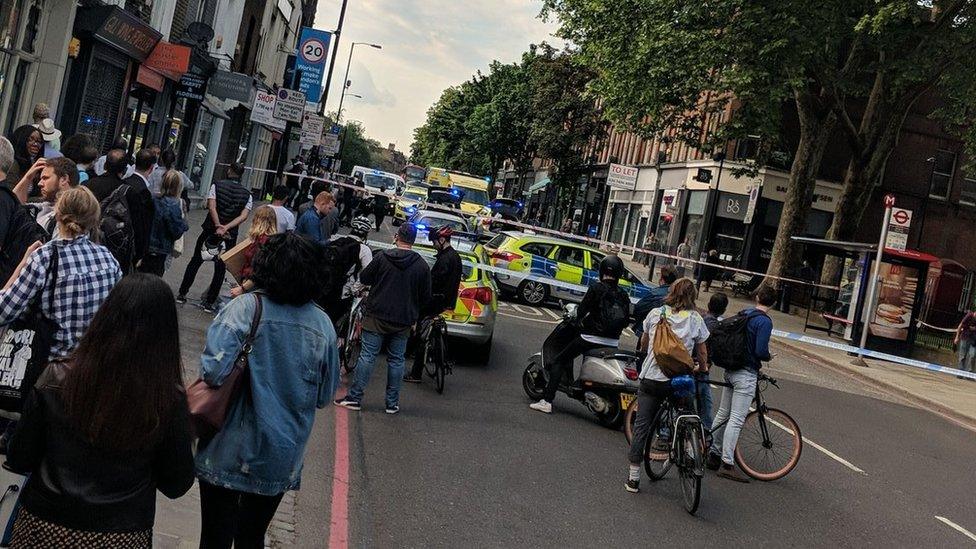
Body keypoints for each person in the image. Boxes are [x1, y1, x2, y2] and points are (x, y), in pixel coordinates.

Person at [5, 274, 194, 546]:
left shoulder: (56, 377)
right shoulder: (166, 397)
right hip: (120, 531)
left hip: (44, 524)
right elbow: (177, 483)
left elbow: (20, 455)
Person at [195, 233, 339, 548]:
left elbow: (213, 372)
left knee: (215, 537)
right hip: (280, 454)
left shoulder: (244, 309)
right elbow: (325, 396)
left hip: (227, 449)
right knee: (251, 536)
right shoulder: (323, 326)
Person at [0, 186, 122, 359]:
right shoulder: (108, 259)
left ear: (57, 214)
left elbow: (4, 311)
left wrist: (21, 265)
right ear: (94, 218)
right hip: (88, 364)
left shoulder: (45, 256)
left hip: (46, 365)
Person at [334, 223, 431, 414]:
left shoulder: (382, 257)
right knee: (397, 360)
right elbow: (425, 297)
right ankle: (392, 403)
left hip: (377, 314)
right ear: (413, 240)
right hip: (403, 318)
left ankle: (355, 398)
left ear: (397, 237)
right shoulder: (421, 265)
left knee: (367, 356)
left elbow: (366, 277)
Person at [626, 278, 709, 493]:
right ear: (693, 296)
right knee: (689, 412)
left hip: (653, 378)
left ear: (671, 292)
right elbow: (702, 351)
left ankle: (634, 477)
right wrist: (703, 367)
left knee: (642, 426)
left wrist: (645, 355)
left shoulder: (655, 314)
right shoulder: (696, 319)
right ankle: (690, 450)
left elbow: (644, 343)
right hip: (679, 380)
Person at [528, 255, 632, 414]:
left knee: (559, 361)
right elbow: (625, 320)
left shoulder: (596, 288)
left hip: (590, 337)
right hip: (612, 342)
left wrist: (578, 318)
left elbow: (582, 311)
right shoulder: (623, 294)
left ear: (602, 270)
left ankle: (547, 401)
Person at [706, 285, 775, 482]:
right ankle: (727, 464)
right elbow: (760, 350)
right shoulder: (764, 322)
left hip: (731, 369)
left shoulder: (745, 313)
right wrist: (768, 357)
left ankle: (714, 453)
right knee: (736, 419)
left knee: (723, 413)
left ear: (758, 297)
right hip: (746, 373)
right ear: (774, 303)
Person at [176, 162, 252, 313]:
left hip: (211, 230)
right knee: (221, 267)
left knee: (196, 260)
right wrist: (227, 227)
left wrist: (218, 225)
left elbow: (212, 206)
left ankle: (182, 293)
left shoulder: (217, 185)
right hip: (229, 235)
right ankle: (210, 302)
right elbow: (244, 215)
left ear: (229, 170)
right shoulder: (247, 194)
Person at [404, 225, 463, 384]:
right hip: (448, 302)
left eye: (435, 241)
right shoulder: (456, 257)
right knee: (433, 331)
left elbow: (433, 282)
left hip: (434, 302)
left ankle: (416, 373)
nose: (433, 244)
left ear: (442, 240)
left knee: (421, 335)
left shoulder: (444, 259)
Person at [12, 156, 80, 239]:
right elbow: (11, 206)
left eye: (45, 178)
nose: (39, 183)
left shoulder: (76, 215)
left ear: (64, 179)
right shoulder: (44, 207)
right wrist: (28, 177)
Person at [323, 215, 373, 324]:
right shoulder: (363, 249)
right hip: (344, 293)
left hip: (324, 288)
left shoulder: (334, 241)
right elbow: (368, 274)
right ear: (366, 233)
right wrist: (355, 289)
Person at [140, 171, 189, 276]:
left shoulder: (151, 199)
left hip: (146, 244)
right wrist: (184, 224)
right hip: (161, 247)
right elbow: (176, 231)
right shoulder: (174, 205)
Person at [230, 205, 278, 297]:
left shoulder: (263, 241)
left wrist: (243, 288)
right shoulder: (268, 240)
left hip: (253, 286)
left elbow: (259, 271)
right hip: (254, 284)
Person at [699, 292, 730, 431]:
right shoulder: (715, 326)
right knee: (705, 404)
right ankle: (706, 433)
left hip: (694, 365)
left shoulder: (701, 319)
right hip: (700, 367)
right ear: (723, 310)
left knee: (702, 402)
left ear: (708, 305)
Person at [124, 148, 158, 268]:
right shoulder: (144, 192)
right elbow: (143, 225)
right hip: (131, 245)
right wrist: (141, 252)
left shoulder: (123, 182)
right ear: (151, 168)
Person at [632, 264, 679, 338]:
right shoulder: (680, 296)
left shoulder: (654, 293)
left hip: (649, 333)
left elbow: (638, 309)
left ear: (662, 278)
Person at [954, 307, 976, 380]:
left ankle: (969, 374)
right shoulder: (969, 315)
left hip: (974, 340)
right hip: (965, 338)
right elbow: (960, 326)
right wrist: (956, 337)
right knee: (963, 355)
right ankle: (960, 372)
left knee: (972, 355)